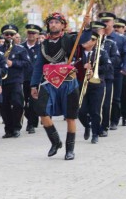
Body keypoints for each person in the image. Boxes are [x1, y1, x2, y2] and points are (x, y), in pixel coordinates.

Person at [31, 12, 89, 161]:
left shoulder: (69, 39)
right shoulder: (43, 44)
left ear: (63, 25)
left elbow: (84, 38)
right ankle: (55, 142)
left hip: (68, 82)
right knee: (42, 112)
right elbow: (38, 66)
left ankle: (70, 150)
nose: (53, 25)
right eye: (51, 22)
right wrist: (33, 85)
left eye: (57, 22)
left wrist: (87, 26)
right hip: (48, 82)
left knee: (70, 117)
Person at [77, 27, 111, 144]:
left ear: (95, 41)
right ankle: (87, 126)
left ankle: (95, 134)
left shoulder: (102, 53)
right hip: (82, 84)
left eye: (89, 39)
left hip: (97, 85)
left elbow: (108, 67)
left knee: (95, 111)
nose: (85, 41)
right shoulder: (78, 53)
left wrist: (95, 70)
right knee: (80, 111)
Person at [0, 24, 30, 138]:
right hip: (2, 81)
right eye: (7, 34)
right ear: (3, 35)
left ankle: (16, 127)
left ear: (15, 35)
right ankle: (8, 129)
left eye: (11, 34)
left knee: (18, 103)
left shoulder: (20, 49)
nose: (9, 36)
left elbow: (27, 64)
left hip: (15, 80)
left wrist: (13, 63)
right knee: (3, 106)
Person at [98, 12, 126, 123]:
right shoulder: (96, 37)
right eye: (103, 21)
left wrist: (125, 68)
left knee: (115, 98)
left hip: (116, 71)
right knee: (101, 98)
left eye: (107, 21)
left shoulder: (120, 39)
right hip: (100, 72)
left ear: (113, 22)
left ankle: (114, 120)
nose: (105, 23)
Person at [23, 24, 42, 134]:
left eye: (34, 33)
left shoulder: (41, 48)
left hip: (36, 80)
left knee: (34, 102)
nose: (31, 35)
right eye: (29, 32)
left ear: (38, 35)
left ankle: (31, 124)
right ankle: (30, 119)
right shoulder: (21, 47)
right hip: (23, 79)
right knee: (23, 102)